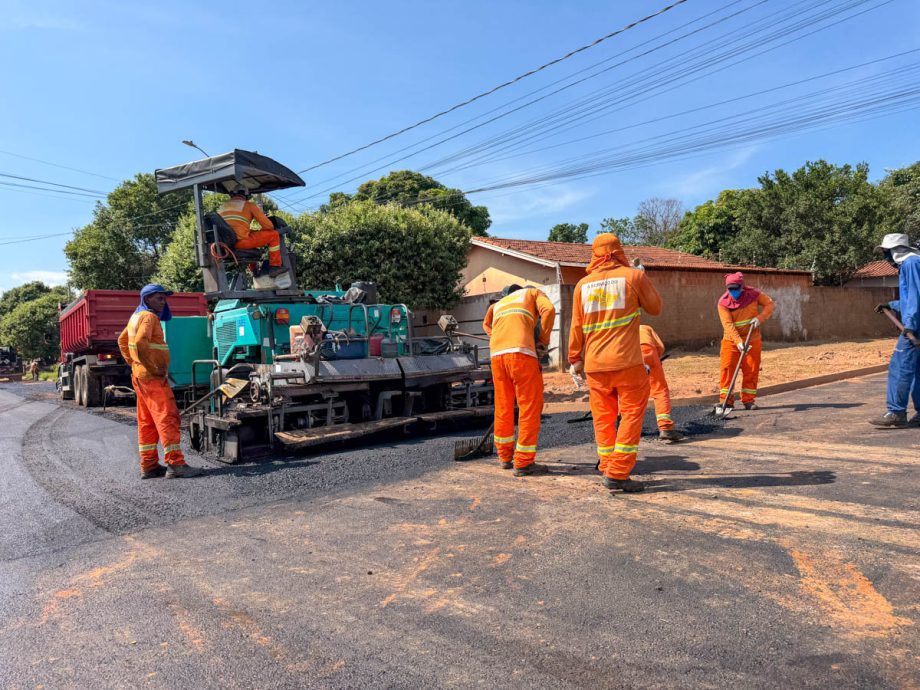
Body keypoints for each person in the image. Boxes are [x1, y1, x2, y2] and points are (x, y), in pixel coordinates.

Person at [569, 233, 662, 493]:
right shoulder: (633, 277)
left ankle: (608, 465)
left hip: (595, 366)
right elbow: (655, 308)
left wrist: (574, 358)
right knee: (631, 413)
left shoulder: (582, 285)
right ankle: (618, 472)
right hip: (627, 362)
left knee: (603, 418)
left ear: (595, 254)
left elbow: (576, 326)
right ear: (618, 251)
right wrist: (642, 277)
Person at [117, 284, 202, 479]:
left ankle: (149, 465)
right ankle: (175, 464)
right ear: (147, 299)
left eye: (164, 299)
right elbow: (138, 342)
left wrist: (134, 363)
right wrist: (151, 367)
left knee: (147, 422)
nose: (163, 302)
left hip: (140, 377)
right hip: (152, 378)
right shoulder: (149, 317)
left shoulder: (135, 316)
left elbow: (122, 341)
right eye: (159, 298)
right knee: (167, 417)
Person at [483, 283, 556, 476]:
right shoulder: (533, 293)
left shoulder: (498, 304)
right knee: (529, 406)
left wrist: (497, 336)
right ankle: (523, 462)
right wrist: (542, 340)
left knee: (503, 406)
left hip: (497, 356)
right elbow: (549, 309)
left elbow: (486, 324)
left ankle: (505, 457)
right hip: (521, 354)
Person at [869, 233, 920, 428]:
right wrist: (890, 304)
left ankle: (896, 412)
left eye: (886, 252)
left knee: (900, 367)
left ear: (896, 250)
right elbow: (911, 300)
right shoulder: (914, 263)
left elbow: (915, 298)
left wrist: (910, 326)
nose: (885, 258)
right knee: (917, 370)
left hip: (914, 328)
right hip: (916, 324)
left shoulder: (911, 264)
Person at [717, 272, 774, 411]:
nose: (733, 292)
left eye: (735, 288)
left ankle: (748, 400)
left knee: (751, 369)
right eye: (730, 289)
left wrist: (760, 318)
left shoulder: (754, 294)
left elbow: (769, 305)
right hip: (731, 341)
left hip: (752, 339)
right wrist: (738, 342)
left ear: (742, 286)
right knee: (727, 369)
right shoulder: (723, 303)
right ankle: (726, 401)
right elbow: (728, 325)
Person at [218, 186, 286, 277]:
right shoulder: (249, 205)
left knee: (251, 241)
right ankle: (275, 266)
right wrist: (261, 231)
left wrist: (254, 231)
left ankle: (254, 270)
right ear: (246, 196)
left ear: (231, 195)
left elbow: (235, 228)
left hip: (225, 244)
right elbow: (269, 226)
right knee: (274, 235)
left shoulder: (222, 207)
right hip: (240, 243)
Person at [639, 324, 684, 442]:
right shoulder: (646, 328)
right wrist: (656, 360)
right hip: (647, 352)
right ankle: (665, 427)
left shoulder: (625, 328)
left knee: (629, 392)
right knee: (659, 389)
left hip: (628, 356)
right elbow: (660, 346)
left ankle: (625, 426)